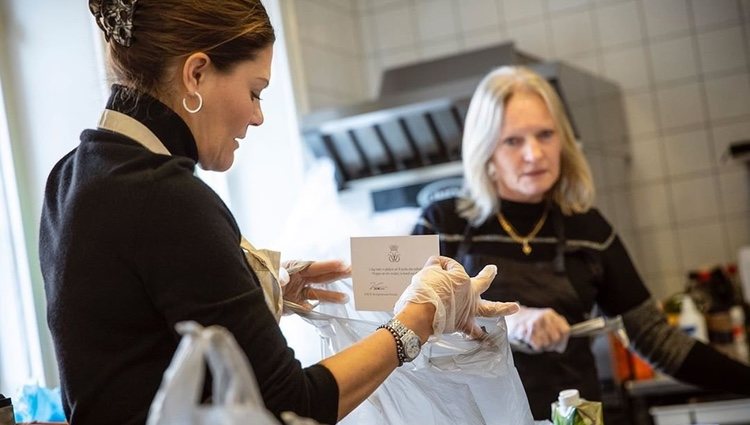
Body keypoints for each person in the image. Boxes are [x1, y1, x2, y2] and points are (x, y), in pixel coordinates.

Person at [38, 1, 520, 424]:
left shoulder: (74, 176)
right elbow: (291, 407)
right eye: (254, 91)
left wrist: (260, 287)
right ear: (196, 74)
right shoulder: (166, 196)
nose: (257, 116)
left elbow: (140, 337)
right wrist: (416, 321)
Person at [412, 65, 750, 419]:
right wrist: (509, 322)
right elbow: (404, 328)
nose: (534, 154)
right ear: (486, 149)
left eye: (545, 135)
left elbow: (655, 339)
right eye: (513, 140)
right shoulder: (442, 224)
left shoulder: (587, 230)